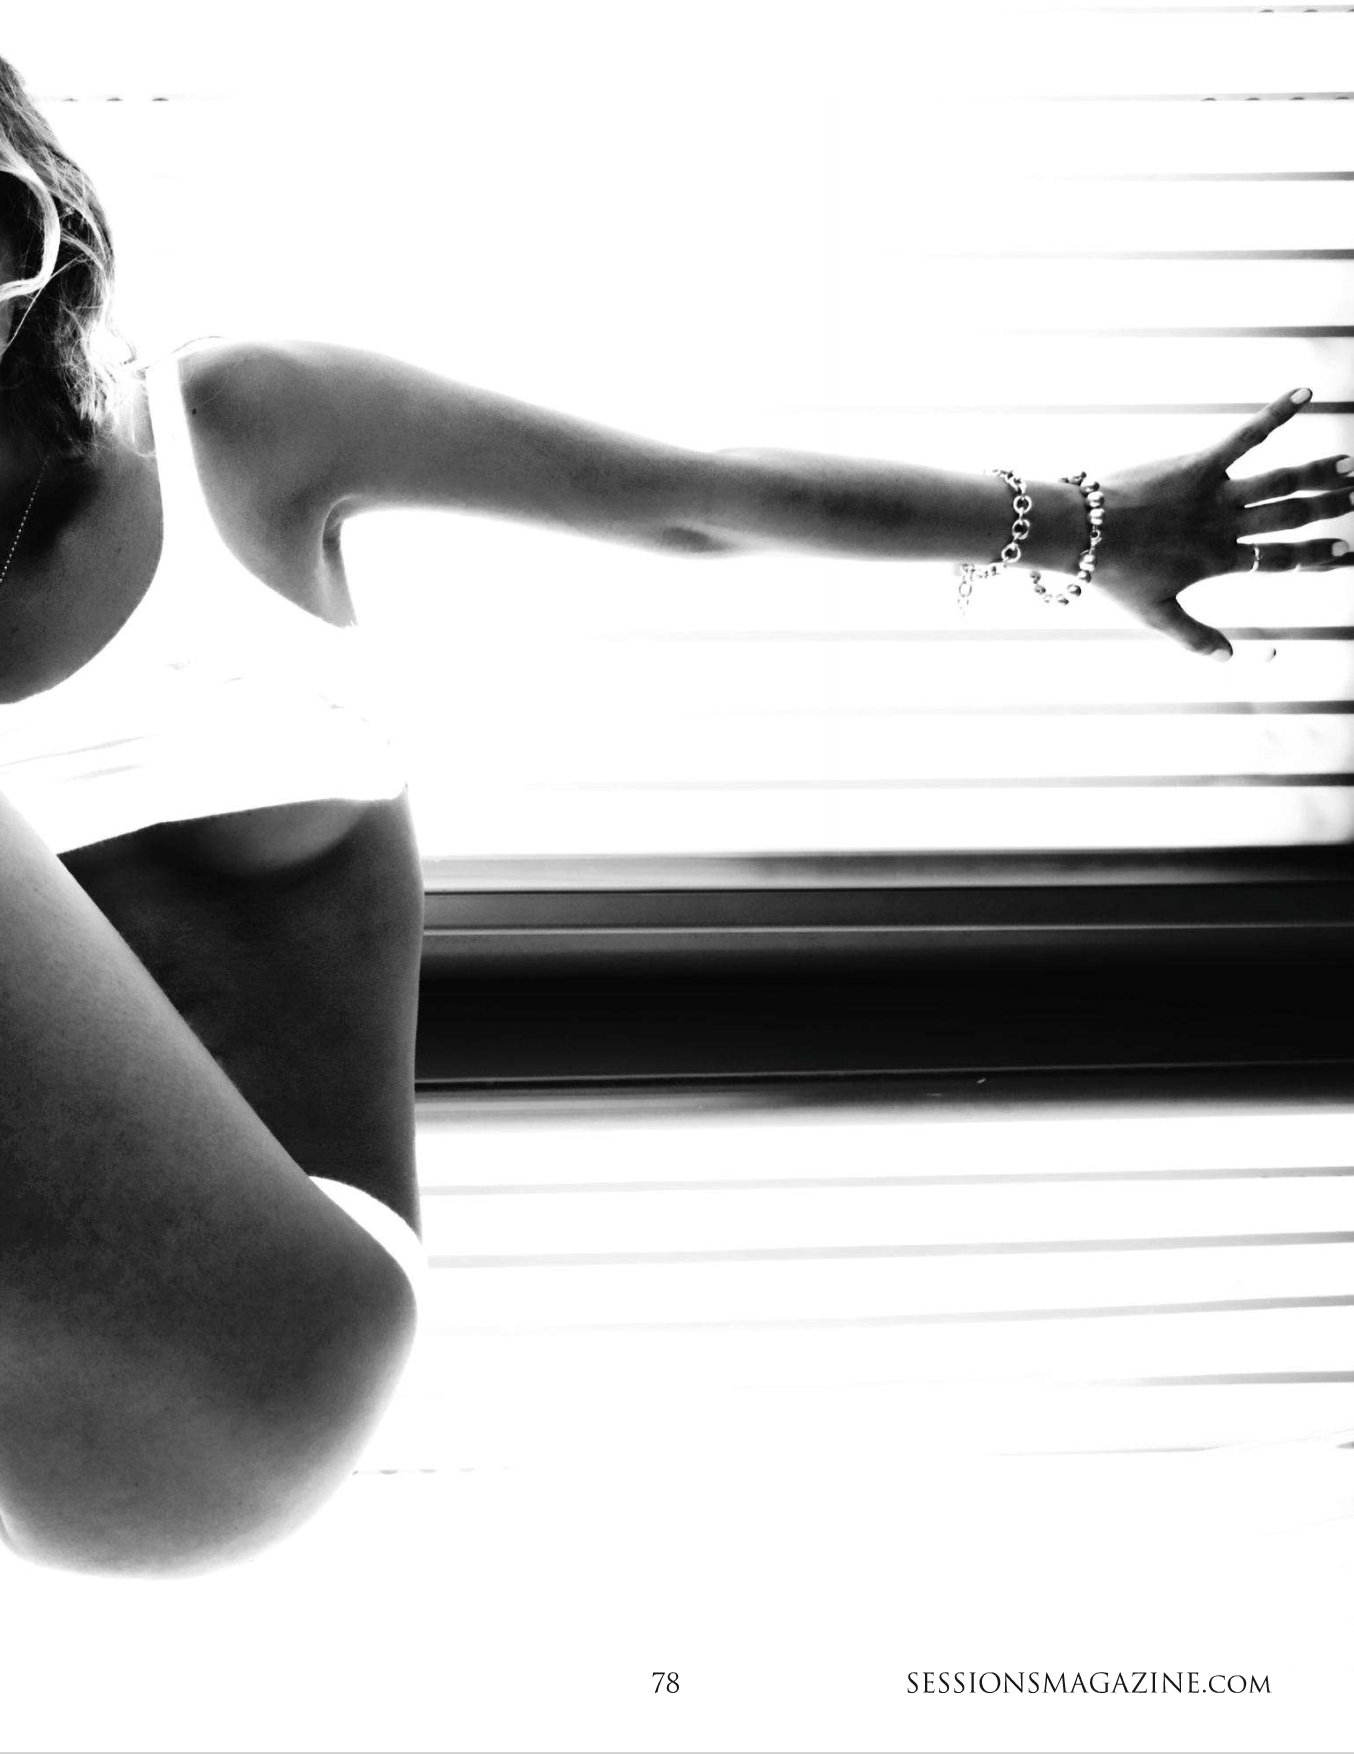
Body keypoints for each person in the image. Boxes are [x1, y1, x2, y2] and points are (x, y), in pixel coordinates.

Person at [1, 53, 1350, 1581]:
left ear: (38, 224)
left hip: (248, 1345)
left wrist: (1086, 525)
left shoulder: (241, 427)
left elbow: (691, 497)